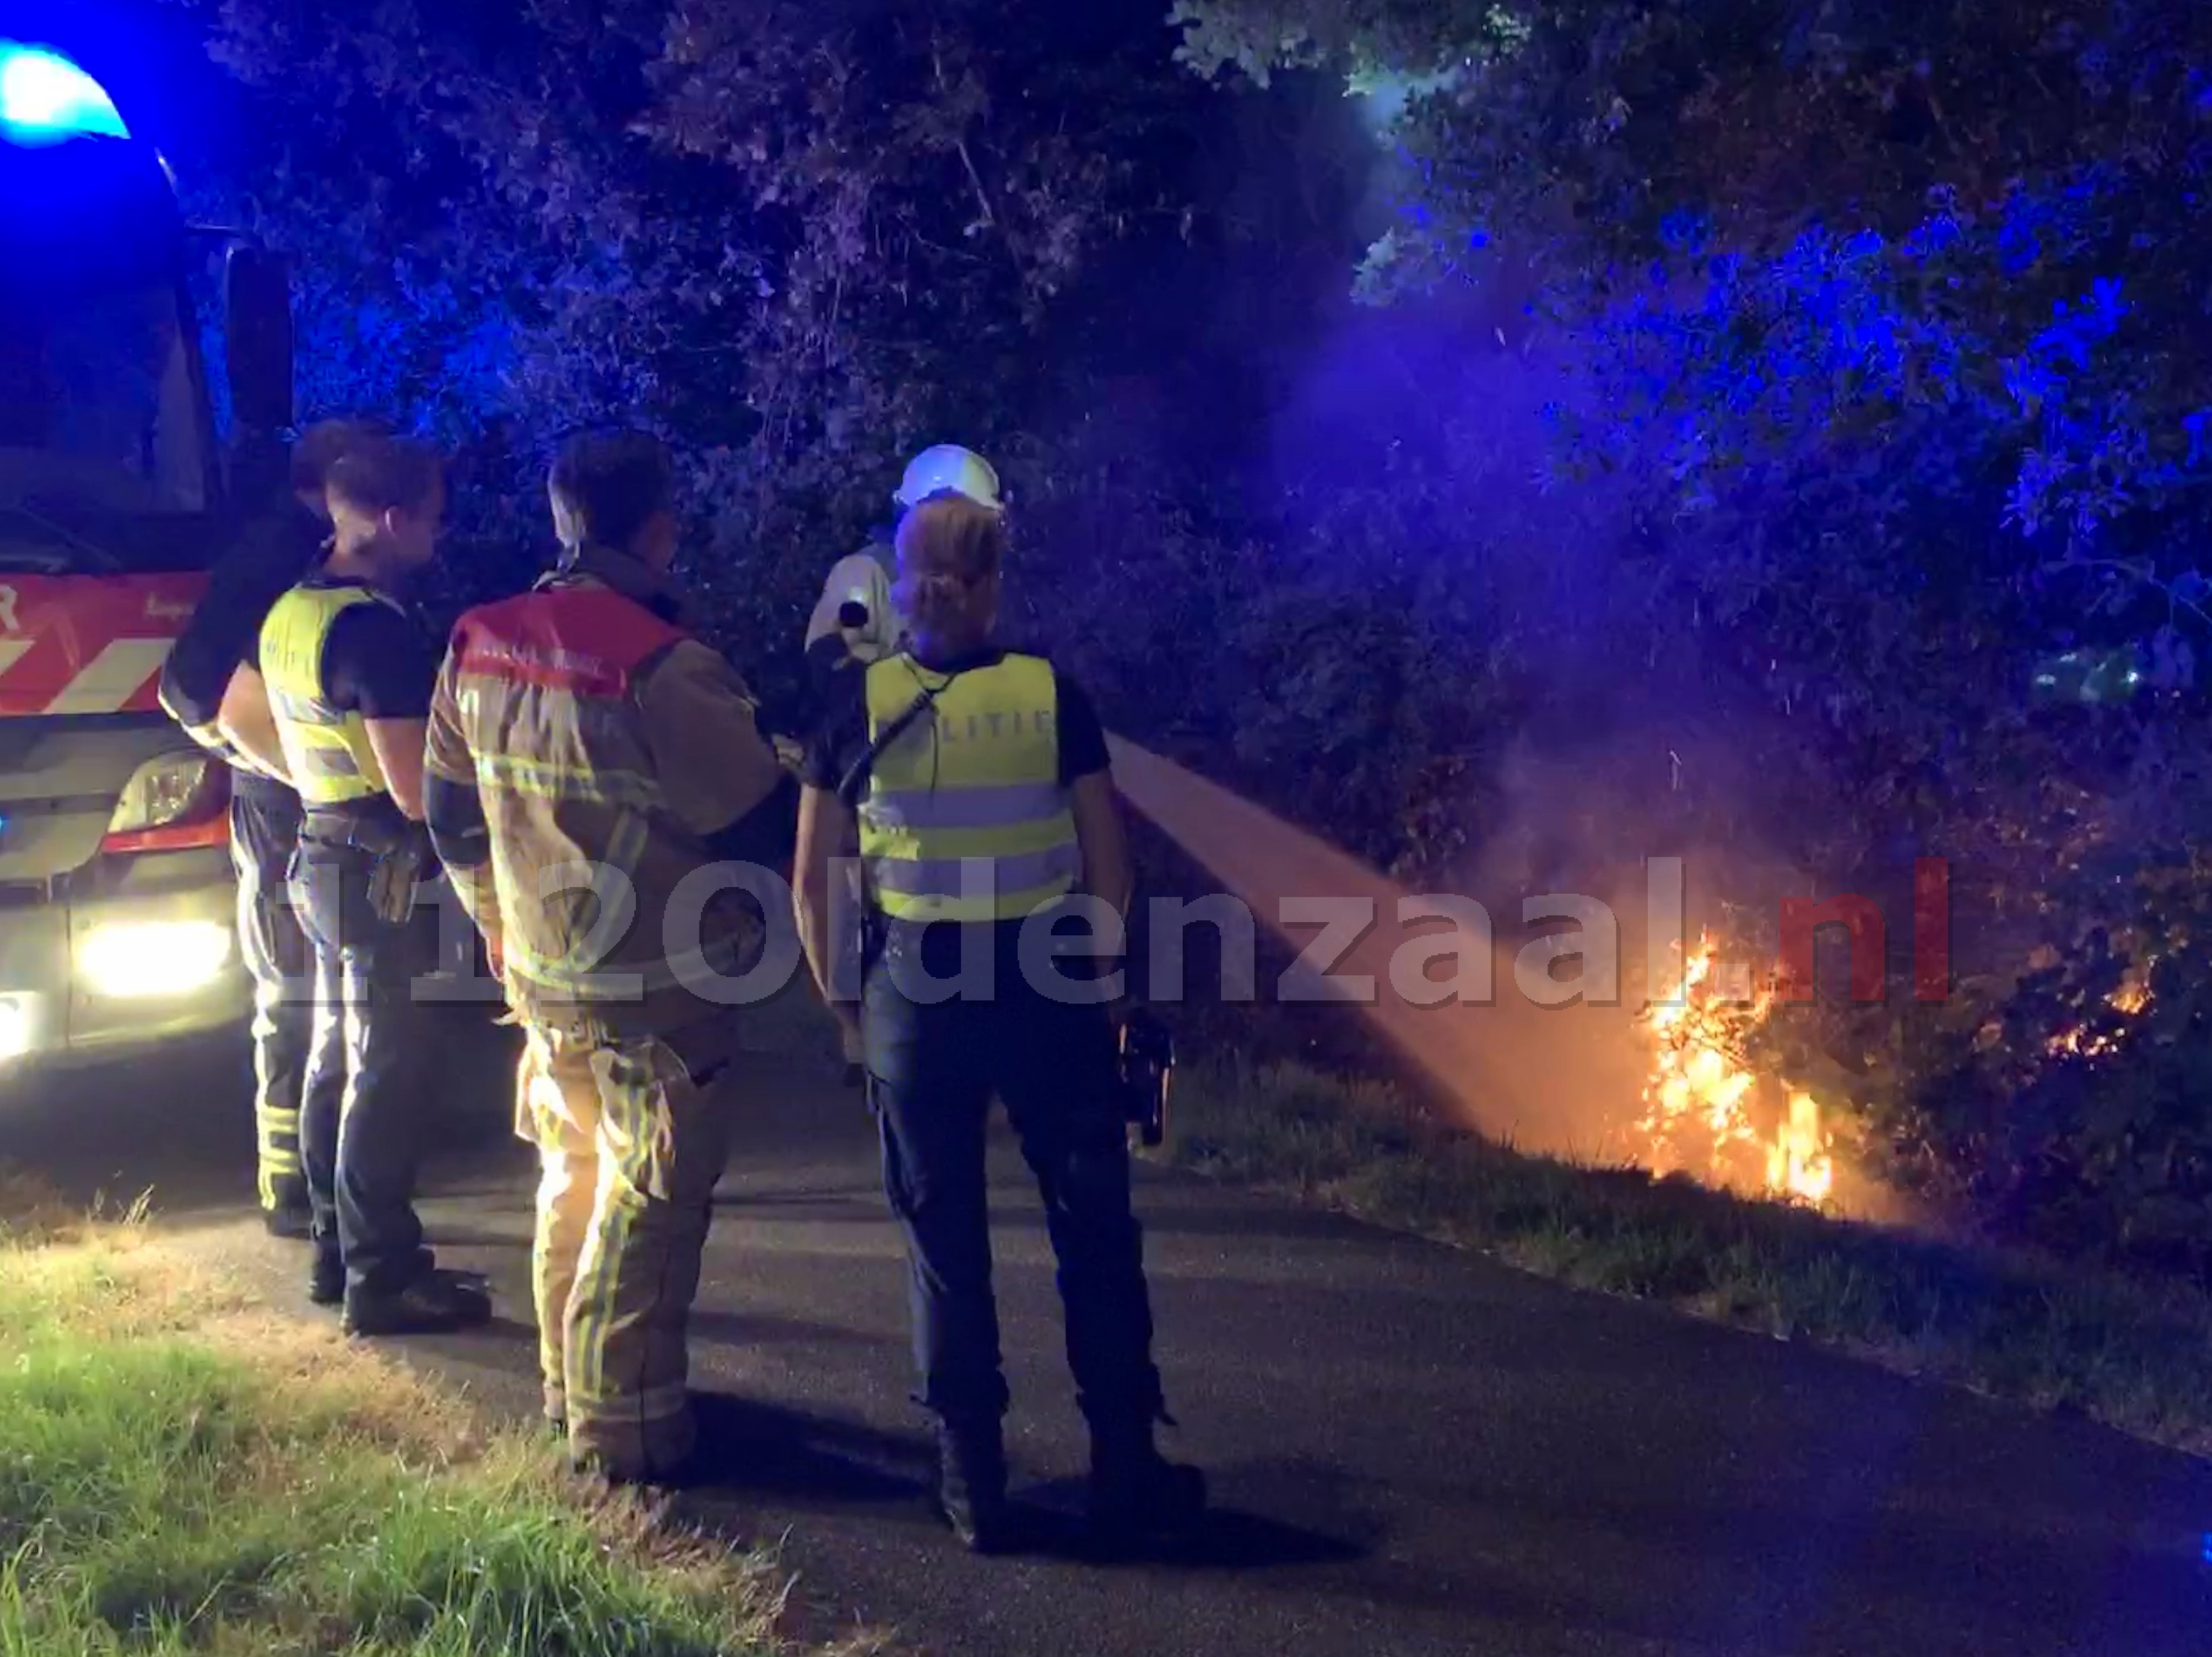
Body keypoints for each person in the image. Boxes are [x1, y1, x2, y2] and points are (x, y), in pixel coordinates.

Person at [794, 489, 1204, 1554]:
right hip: (1047, 983)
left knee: (943, 1243)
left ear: (899, 582)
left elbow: (813, 880)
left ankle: (973, 1484)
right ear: (991, 586)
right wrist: (1105, 979)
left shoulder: (855, 701)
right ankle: (1126, 1465)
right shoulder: (1049, 694)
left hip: (914, 995)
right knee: (1094, 1232)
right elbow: (1109, 863)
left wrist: (848, 1005)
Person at [425, 428, 792, 1486]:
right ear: (659, 529)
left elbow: (447, 812)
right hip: (657, 986)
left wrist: (496, 920)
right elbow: (758, 822)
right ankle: (623, 1426)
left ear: (560, 518)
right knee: (653, 1195)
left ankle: (564, 1385)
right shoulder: (663, 665)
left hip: (538, 974)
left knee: (572, 1171)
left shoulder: (476, 640)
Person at [256, 432, 491, 1336]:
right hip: (377, 863)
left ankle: (335, 1246)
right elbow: (411, 787)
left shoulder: (291, 612)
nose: (439, 533)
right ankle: (384, 1274)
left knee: (335, 1057)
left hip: (319, 850)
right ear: (392, 522)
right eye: (432, 517)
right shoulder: (376, 633)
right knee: (387, 1070)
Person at [157, 418, 382, 1239]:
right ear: (325, 488)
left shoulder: (311, 556)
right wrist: (273, 760)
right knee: (292, 982)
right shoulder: (274, 559)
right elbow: (186, 687)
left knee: (325, 987)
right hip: (283, 803)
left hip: (307, 801)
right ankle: (290, 1184)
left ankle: (323, 1178)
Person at [800, 443, 1005, 1083]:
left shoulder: (983, 581)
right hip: (883, 763)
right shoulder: (866, 575)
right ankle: (865, 1039)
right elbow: (831, 654)